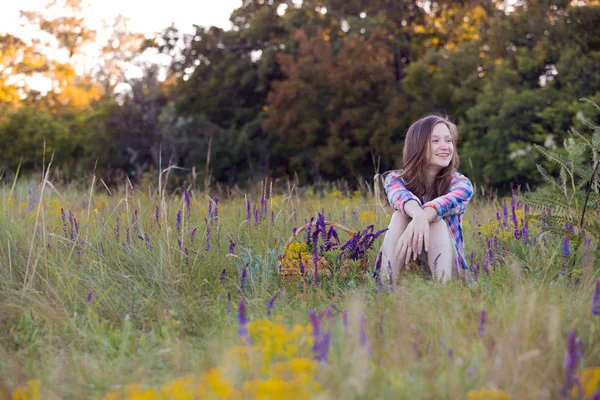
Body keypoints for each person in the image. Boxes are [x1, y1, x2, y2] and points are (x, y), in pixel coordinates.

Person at [376, 115, 473, 283]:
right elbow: (400, 197)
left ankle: (443, 291)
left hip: (450, 267)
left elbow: (441, 206)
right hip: (409, 263)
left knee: (436, 221)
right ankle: (386, 285)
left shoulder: (461, 184)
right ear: (418, 145)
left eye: (448, 140)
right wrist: (418, 216)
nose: (445, 147)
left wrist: (423, 217)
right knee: (400, 216)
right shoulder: (395, 179)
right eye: (435, 141)